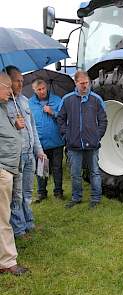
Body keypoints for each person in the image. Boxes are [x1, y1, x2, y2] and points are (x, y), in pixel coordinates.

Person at [5, 66, 46, 238]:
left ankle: (29, 223)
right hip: (16, 156)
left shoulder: (24, 101)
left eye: (22, 81)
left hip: (29, 154)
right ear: (8, 82)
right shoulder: (3, 104)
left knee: (28, 192)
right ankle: (19, 229)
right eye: (17, 81)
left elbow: (33, 129)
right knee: (17, 195)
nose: (21, 84)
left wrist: (39, 150)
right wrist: (15, 124)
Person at [57, 70, 107, 209]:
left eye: (87, 83)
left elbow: (103, 120)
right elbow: (60, 119)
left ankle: (96, 198)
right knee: (75, 173)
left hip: (92, 144)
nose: (85, 86)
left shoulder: (96, 99)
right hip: (74, 144)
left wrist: (97, 136)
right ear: (76, 82)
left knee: (95, 172)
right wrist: (67, 135)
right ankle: (76, 197)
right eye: (82, 83)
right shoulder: (67, 100)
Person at [0, 72, 28, 275]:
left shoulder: (2, 108)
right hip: (2, 168)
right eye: (7, 86)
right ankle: (8, 262)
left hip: (9, 166)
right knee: (3, 218)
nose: (11, 91)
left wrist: (16, 127)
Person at [29, 79, 65, 202]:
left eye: (43, 88)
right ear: (34, 90)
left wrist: (52, 112)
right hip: (40, 143)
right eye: (39, 89)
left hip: (57, 141)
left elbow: (64, 118)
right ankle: (41, 193)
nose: (42, 91)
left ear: (46, 87)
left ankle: (58, 192)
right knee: (41, 169)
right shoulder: (30, 103)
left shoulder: (57, 100)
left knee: (57, 168)